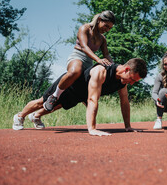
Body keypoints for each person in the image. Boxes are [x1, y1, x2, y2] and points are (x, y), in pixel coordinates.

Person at [13, 58, 147, 136]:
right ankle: (20, 116)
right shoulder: (101, 71)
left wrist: (128, 126)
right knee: (43, 102)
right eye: (132, 79)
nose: (132, 83)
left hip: (79, 95)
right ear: (127, 69)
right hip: (70, 86)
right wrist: (92, 129)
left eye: (135, 82)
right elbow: (92, 99)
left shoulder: (123, 82)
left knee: (56, 107)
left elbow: (124, 102)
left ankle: (35, 116)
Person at [43, 10, 116, 112]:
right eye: (106, 26)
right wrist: (98, 60)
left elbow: (107, 55)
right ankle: (54, 96)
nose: (107, 29)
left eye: (110, 28)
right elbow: (84, 47)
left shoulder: (102, 39)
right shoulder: (85, 28)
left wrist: (114, 67)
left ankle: (36, 115)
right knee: (75, 71)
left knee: (85, 93)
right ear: (99, 20)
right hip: (78, 57)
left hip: (89, 62)